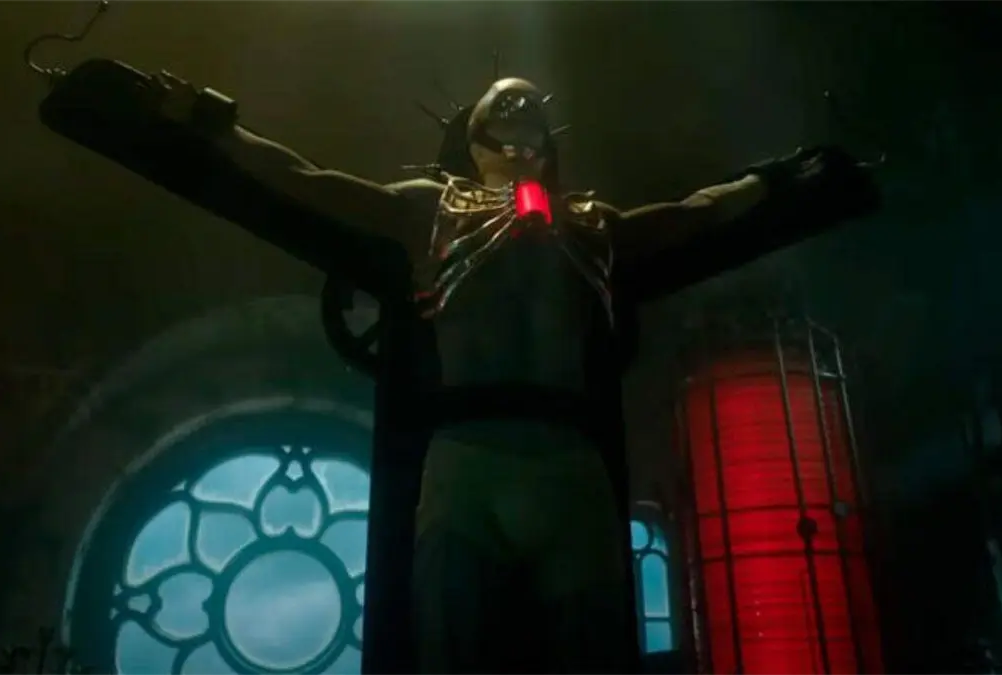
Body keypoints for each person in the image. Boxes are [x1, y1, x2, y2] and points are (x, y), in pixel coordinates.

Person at [133, 73, 880, 674]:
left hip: (560, 464)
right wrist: (217, 127)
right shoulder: (430, 210)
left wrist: (773, 181)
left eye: (528, 105)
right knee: (451, 647)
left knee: (587, 651)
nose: (519, 110)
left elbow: (696, 212)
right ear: (474, 133)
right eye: (504, 104)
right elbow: (307, 179)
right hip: (472, 463)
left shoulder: (591, 223)